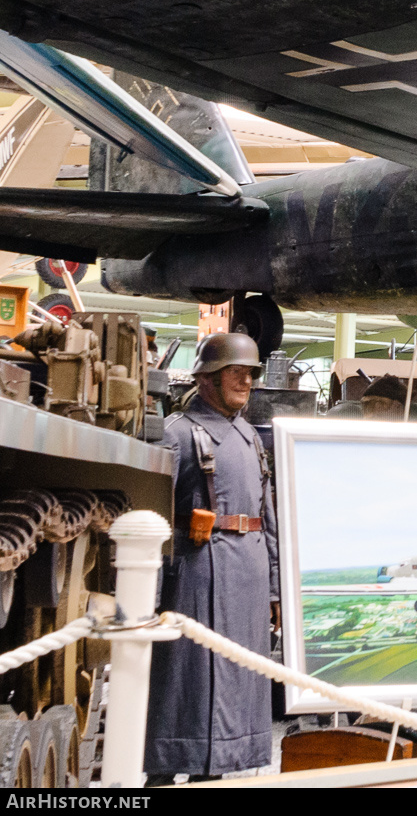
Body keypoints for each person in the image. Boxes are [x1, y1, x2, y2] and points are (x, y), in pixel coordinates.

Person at [145, 333, 278, 783]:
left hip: (249, 577)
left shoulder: (250, 437)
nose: (245, 380)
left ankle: (217, 773)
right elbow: (150, 511)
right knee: (189, 684)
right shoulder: (177, 434)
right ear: (207, 379)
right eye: (234, 372)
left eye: (250, 373)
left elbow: (268, 515)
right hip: (198, 574)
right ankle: (164, 774)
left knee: (239, 683)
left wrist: (275, 588)